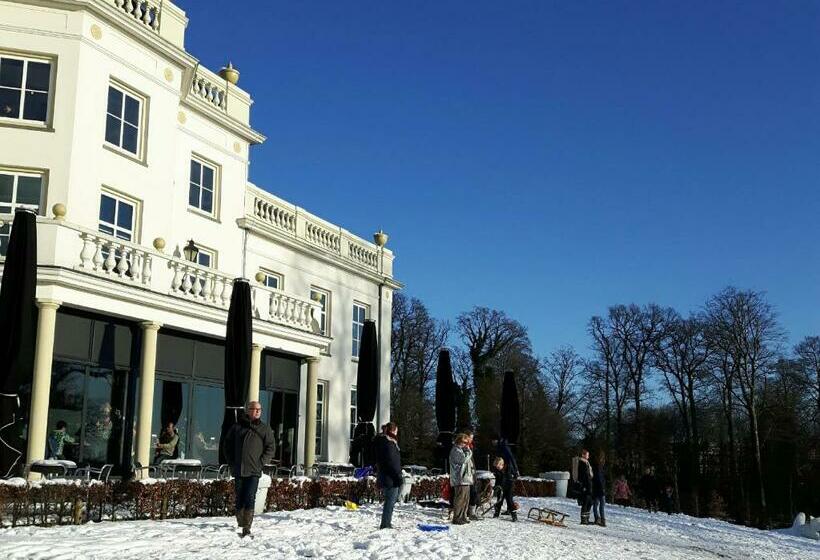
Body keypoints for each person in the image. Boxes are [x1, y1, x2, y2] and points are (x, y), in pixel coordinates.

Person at [225, 401, 276, 538]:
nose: (258, 411)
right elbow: (227, 445)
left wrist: (261, 463)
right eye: (255, 409)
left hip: (254, 470)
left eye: (260, 409)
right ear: (248, 410)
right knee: (240, 496)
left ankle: (247, 527)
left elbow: (270, 448)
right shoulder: (237, 427)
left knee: (250, 496)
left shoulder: (264, 429)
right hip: (239, 469)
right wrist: (231, 463)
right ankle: (240, 521)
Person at [373, 422, 402, 529]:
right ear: (393, 430)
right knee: (390, 502)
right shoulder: (389, 443)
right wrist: (397, 477)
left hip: (386, 476)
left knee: (390, 501)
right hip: (390, 477)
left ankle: (386, 523)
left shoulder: (385, 442)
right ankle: (385, 524)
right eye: (396, 430)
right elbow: (391, 462)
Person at [449, 433, 475, 525]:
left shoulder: (461, 450)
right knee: (460, 499)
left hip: (466, 479)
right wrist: (469, 451)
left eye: (467, 442)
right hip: (460, 479)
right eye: (464, 442)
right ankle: (457, 517)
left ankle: (463, 516)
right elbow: (463, 460)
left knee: (466, 499)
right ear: (459, 441)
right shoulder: (456, 450)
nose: (466, 444)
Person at [491, 456, 517, 522]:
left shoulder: (508, 468)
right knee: (499, 500)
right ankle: (496, 513)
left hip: (509, 487)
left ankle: (514, 515)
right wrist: (495, 486)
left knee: (509, 501)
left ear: (501, 464)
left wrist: (513, 478)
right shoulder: (497, 471)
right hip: (501, 487)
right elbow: (497, 479)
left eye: (498, 466)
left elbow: (515, 474)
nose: (497, 468)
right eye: (496, 466)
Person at [572, 449, 593, 525]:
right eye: (587, 454)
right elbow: (584, 476)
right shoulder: (582, 463)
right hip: (585, 486)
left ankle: (586, 518)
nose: (588, 456)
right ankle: (583, 519)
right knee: (586, 502)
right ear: (583, 455)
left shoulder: (586, 463)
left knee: (589, 502)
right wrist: (585, 486)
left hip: (588, 485)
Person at [463, 429, 480, 521]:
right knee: (469, 492)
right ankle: (468, 511)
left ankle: (471, 510)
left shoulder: (471, 447)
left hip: (472, 471)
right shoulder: (464, 447)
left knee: (474, 491)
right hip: (466, 473)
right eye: (471, 438)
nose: (472, 440)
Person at [592, 450, 607, 527]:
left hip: (597, 487)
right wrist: (602, 488)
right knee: (600, 504)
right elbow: (599, 478)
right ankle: (601, 519)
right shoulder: (599, 467)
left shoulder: (598, 466)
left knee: (596, 504)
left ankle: (598, 518)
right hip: (599, 488)